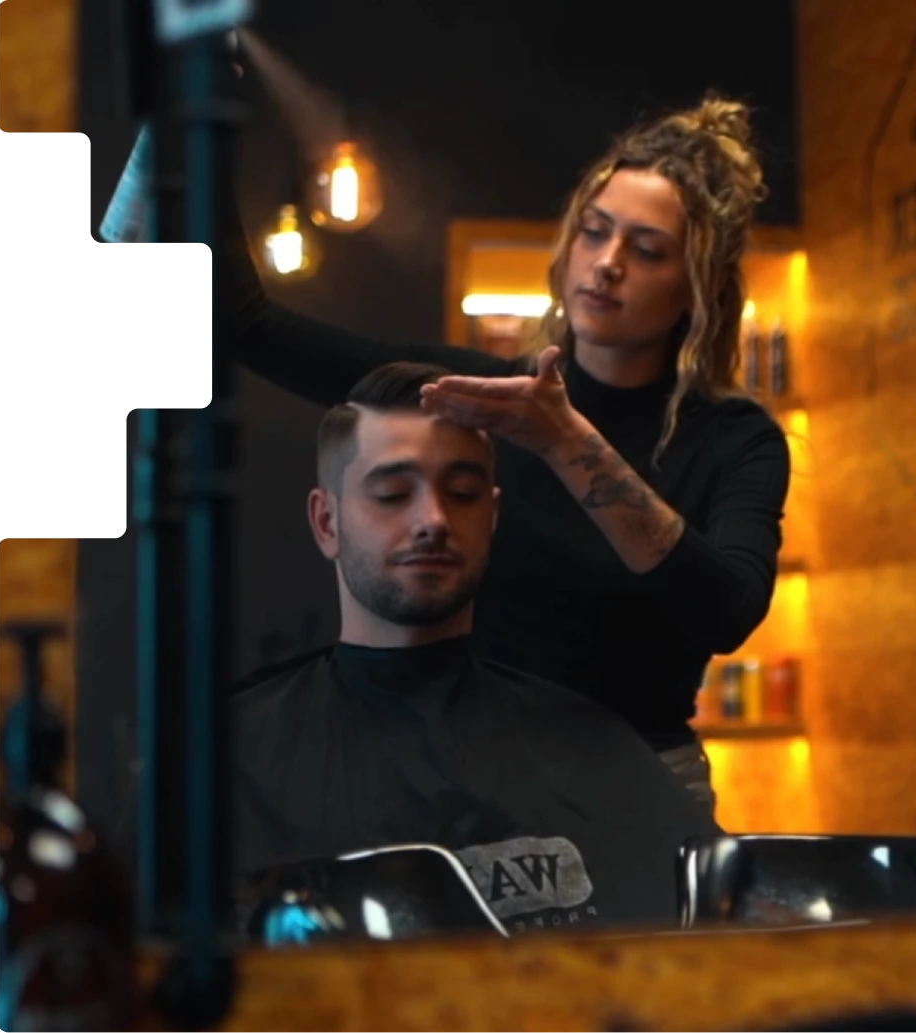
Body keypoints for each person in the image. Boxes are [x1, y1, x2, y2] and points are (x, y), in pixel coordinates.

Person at [222, 85, 791, 810]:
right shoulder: (485, 394)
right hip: (481, 769)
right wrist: (194, 120)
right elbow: (245, 325)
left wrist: (566, 441)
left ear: (698, 286)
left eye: (646, 249)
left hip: (640, 784)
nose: (607, 263)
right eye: (593, 232)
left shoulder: (735, 439)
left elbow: (727, 611)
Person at [232, 362, 719, 933]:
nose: (433, 519)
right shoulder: (233, 755)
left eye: (462, 494)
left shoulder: (589, 743)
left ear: (491, 516)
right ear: (326, 522)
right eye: (392, 494)